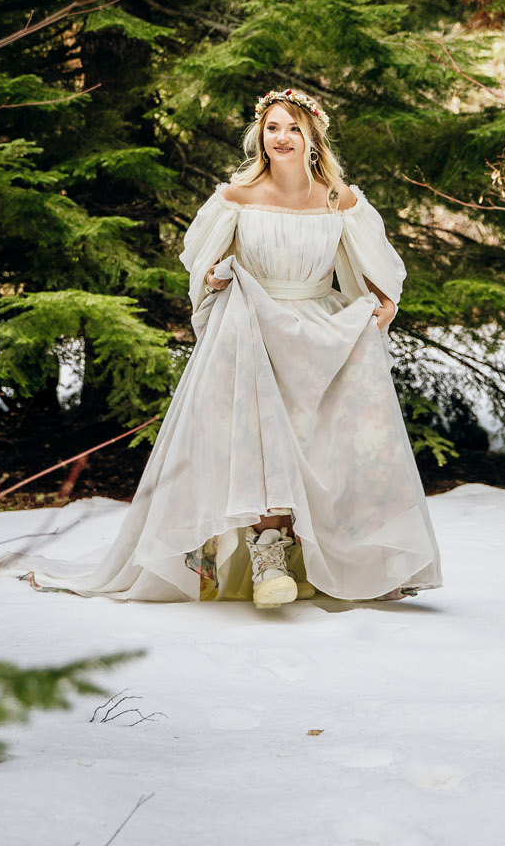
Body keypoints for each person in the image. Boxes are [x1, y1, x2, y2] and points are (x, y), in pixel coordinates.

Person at [28, 87, 441, 608]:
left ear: (312, 134)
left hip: (318, 329)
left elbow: (376, 269)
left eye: (293, 127)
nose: (282, 137)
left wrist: (385, 303)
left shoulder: (341, 199)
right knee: (263, 439)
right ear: (260, 135)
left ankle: (338, 559)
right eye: (273, 127)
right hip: (255, 329)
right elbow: (200, 265)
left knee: (322, 441)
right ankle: (267, 555)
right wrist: (215, 276)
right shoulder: (236, 197)